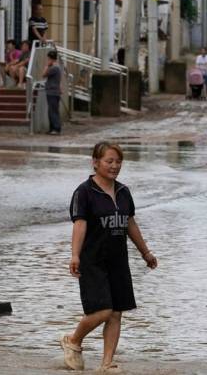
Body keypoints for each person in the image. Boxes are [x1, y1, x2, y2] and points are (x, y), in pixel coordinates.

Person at [61, 142, 158, 373]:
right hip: (92, 260)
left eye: (118, 162)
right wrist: (74, 255)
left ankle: (107, 364)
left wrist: (145, 252)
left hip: (118, 260)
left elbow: (130, 223)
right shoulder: (84, 192)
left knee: (116, 313)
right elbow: (80, 225)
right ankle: (73, 340)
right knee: (102, 311)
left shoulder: (124, 192)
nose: (114, 166)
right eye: (109, 161)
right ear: (95, 163)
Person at [43, 50, 62, 135]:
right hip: (53, 91)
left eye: (48, 59)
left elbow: (44, 74)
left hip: (53, 92)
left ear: (51, 59)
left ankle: (56, 128)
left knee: (53, 111)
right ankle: (52, 128)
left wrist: (47, 66)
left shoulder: (54, 68)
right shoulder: (57, 67)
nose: (47, 60)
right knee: (51, 111)